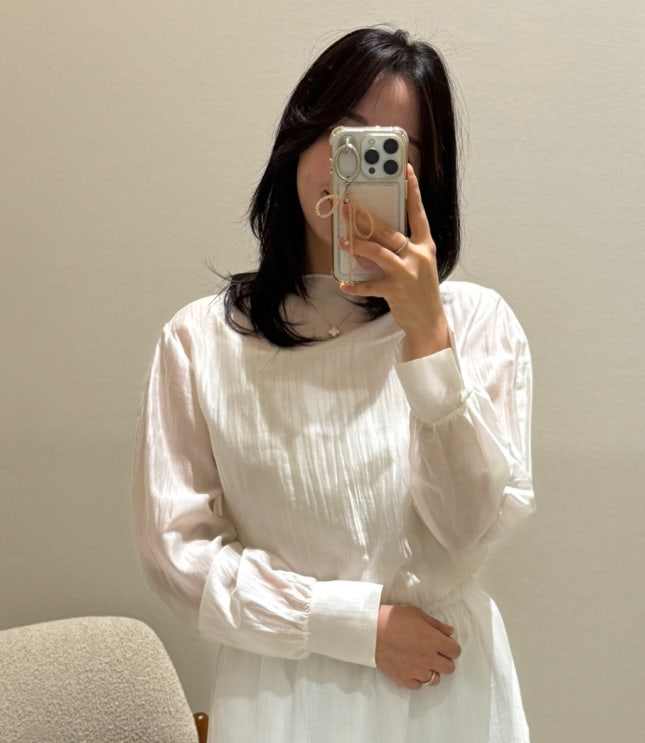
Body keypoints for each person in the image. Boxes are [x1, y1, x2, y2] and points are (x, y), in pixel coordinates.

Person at [133, 27, 535, 743]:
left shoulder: (477, 325)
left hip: (440, 689)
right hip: (280, 693)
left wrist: (426, 337)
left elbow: (466, 525)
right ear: (299, 137)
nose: (355, 167)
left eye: (391, 151)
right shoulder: (201, 341)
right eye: (343, 135)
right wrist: (352, 626)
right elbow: (177, 556)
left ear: (425, 179)